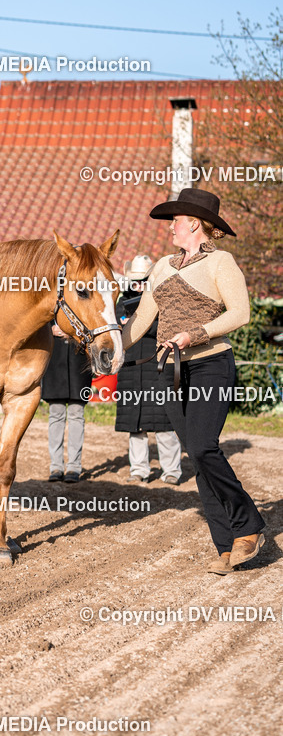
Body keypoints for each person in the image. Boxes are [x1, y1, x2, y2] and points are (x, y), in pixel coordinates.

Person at [121, 188, 266, 575]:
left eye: (176, 220)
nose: (170, 227)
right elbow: (141, 320)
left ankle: (248, 526)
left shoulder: (221, 262)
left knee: (203, 447)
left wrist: (194, 334)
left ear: (195, 224)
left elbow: (241, 313)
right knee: (197, 457)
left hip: (210, 365)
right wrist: (107, 346)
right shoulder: (163, 268)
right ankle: (226, 545)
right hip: (169, 370)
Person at [115, 255, 182, 484]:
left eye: (143, 280)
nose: (139, 284)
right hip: (131, 371)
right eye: (136, 280)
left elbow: (169, 329)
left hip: (158, 367)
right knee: (136, 426)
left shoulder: (165, 301)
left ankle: (172, 470)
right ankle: (139, 470)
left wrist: (140, 324)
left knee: (164, 424)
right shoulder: (121, 303)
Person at [42, 324, 93, 482]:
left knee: (76, 414)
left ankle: (74, 467)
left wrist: (75, 331)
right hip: (54, 362)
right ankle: (55, 466)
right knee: (56, 414)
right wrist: (49, 329)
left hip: (79, 362)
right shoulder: (50, 298)